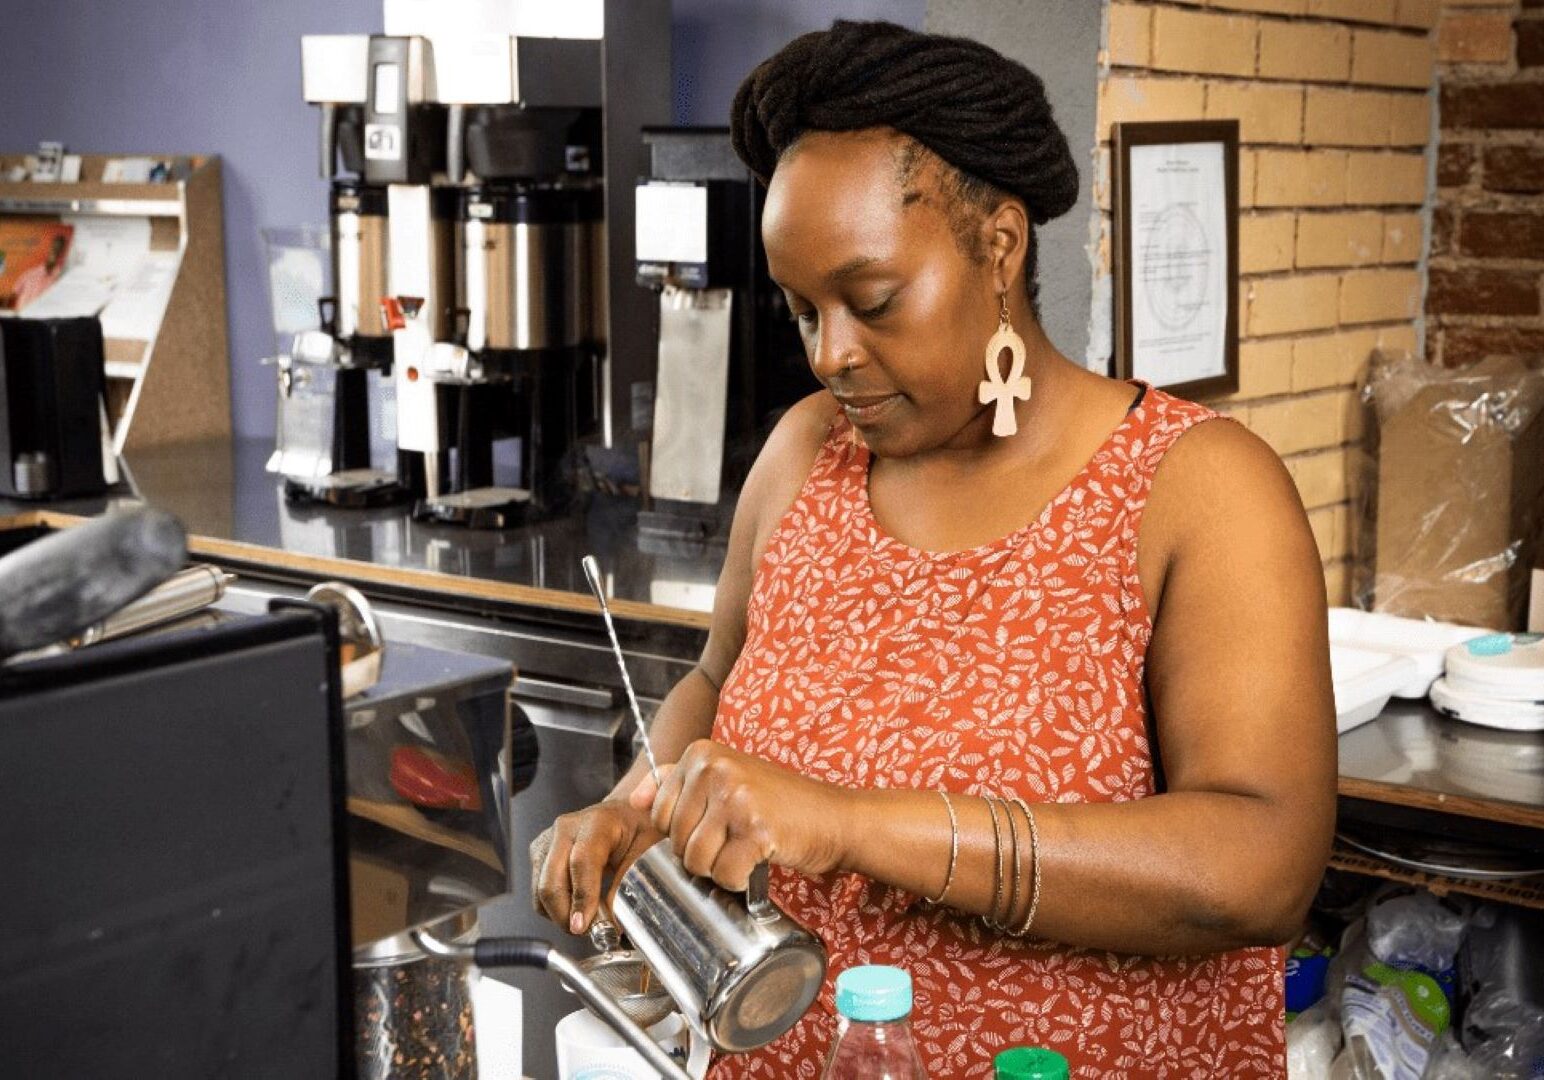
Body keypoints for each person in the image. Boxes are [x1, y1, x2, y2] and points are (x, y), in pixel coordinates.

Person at [534, 20, 1336, 1078]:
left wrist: (850, 825)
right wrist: (639, 803)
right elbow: (716, 679)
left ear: (997, 245)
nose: (831, 356)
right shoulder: (803, 455)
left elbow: (1259, 867)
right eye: (799, 310)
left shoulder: (1196, 488)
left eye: (870, 302)